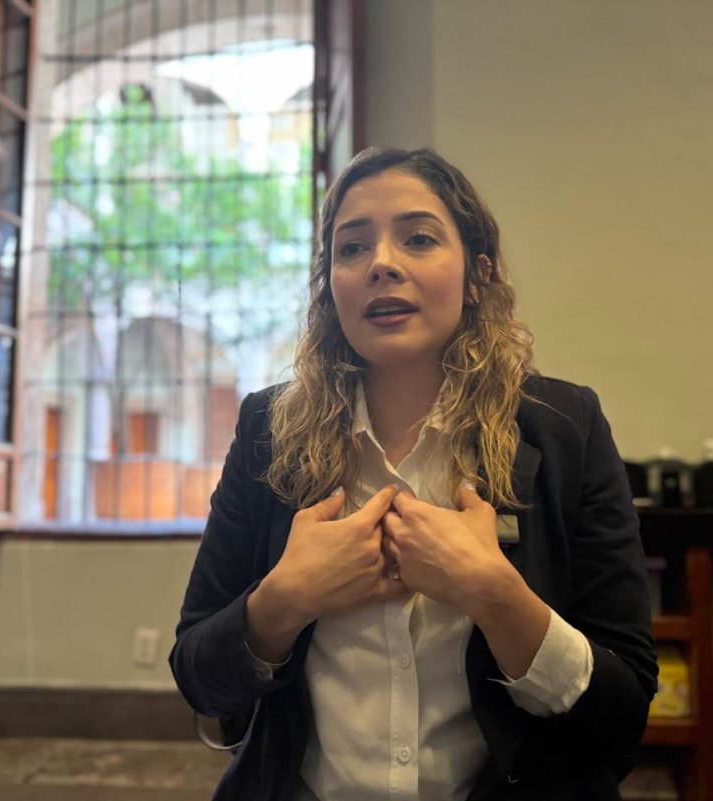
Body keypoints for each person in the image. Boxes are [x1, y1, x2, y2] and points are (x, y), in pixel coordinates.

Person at [171, 146, 658, 801]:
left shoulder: (566, 426)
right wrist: (286, 598)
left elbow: (623, 713)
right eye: (352, 248)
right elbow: (199, 678)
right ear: (331, 287)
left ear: (477, 274)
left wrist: (494, 594)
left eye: (418, 238)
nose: (382, 263)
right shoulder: (268, 429)